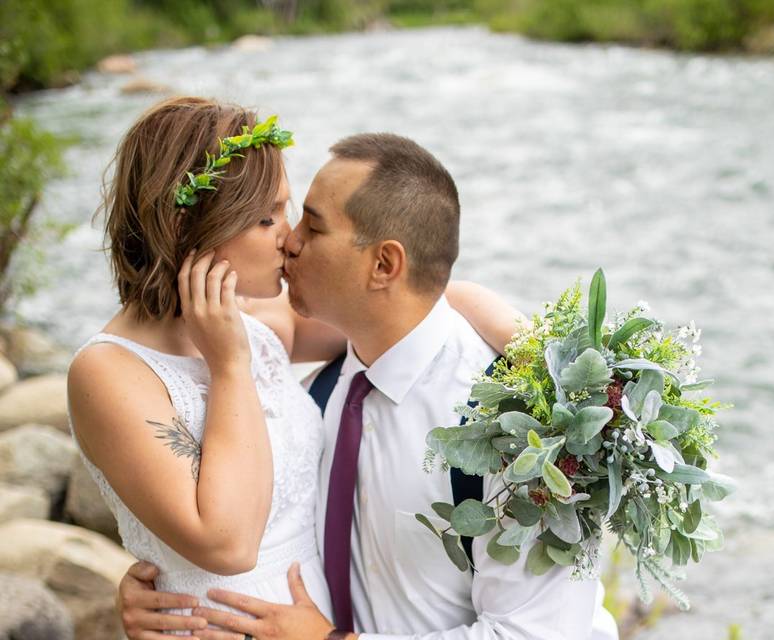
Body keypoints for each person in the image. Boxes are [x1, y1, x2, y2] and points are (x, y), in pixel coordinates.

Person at [118, 133, 620, 640]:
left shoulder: (517, 435)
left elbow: (537, 634)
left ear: (384, 265)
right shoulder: (312, 396)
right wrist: (170, 588)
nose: (289, 240)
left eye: (312, 226)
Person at [68, 97, 520, 635]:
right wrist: (230, 367)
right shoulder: (108, 373)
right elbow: (229, 543)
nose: (288, 237)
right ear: (189, 226)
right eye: (266, 217)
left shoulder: (261, 327)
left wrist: (542, 359)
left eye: (289, 210)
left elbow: (402, 306)